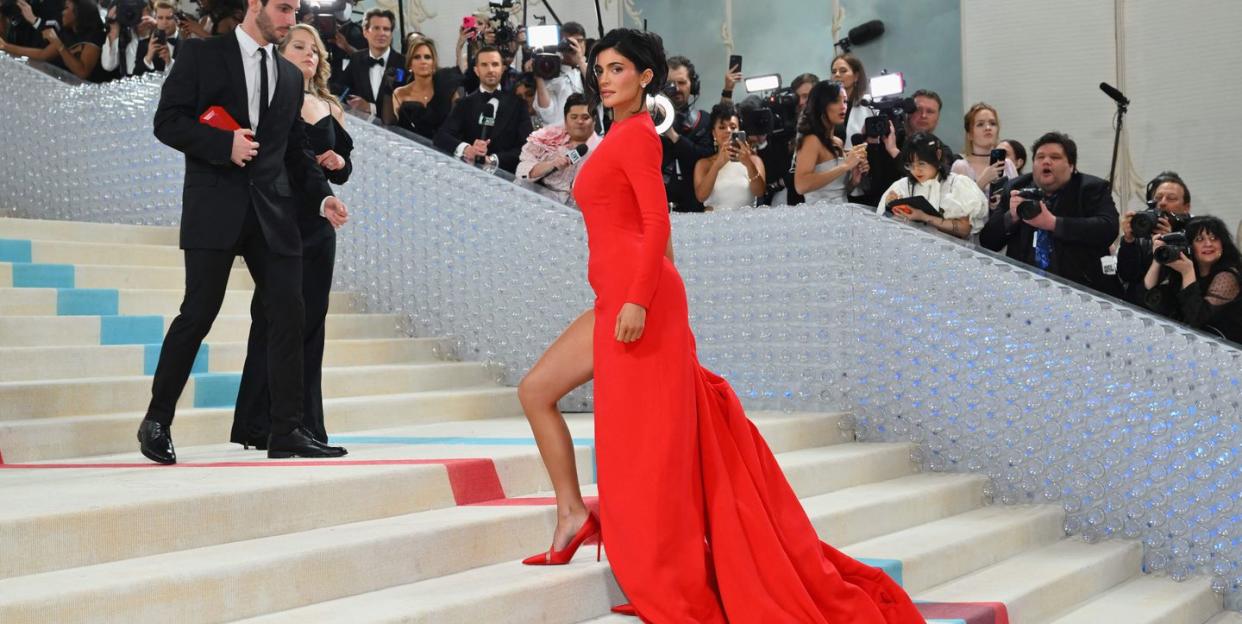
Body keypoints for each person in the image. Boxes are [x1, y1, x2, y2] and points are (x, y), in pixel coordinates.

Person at [538, 27, 923, 622]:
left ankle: (664, 571)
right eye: (600, 68)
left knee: (647, 450)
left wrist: (644, 303)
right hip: (624, 299)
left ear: (645, 78)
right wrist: (652, 303)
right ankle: (572, 515)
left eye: (617, 68)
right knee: (537, 393)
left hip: (636, 304)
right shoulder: (617, 136)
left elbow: (656, 223)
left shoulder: (637, 136)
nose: (604, 78)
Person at [138, 0, 351, 464]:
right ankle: (156, 420)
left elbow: (292, 148)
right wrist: (222, 144)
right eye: (283, 8)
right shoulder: (200, 55)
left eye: (295, 11)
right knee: (198, 312)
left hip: (273, 212)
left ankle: (286, 430)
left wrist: (321, 196)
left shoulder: (290, 76)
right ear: (254, 4)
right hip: (215, 205)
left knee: (289, 313)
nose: (291, 19)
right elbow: (167, 121)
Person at [231, 23, 354, 448]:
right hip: (279, 217)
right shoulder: (266, 99)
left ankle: (303, 424)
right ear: (279, 54)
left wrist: (338, 161)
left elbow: (344, 165)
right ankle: (259, 423)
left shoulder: (328, 106)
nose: (309, 55)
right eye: (298, 47)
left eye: (315, 50)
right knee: (271, 320)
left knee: (310, 323)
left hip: (319, 222)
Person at [979, 132, 1122, 296]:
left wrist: (1054, 223)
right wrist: (1011, 217)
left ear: (1071, 166)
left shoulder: (1091, 188)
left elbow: (1108, 229)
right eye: (1040, 157)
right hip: (1026, 290)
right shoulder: (1015, 187)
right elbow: (988, 241)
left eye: (1055, 157)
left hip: (1080, 290)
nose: (1046, 161)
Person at [1142, 216, 1242, 343]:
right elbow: (1147, 293)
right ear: (1189, 246)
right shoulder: (1184, 268)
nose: (1208, 244)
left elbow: (1196, 319)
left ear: (1223, 244)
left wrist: (1187, 272)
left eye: (1214, 238)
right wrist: (1157, 259)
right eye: (1199, 239)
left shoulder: (1227, 276)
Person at [434, 45, 532, 173]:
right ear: (476, 70)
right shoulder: (463, 104)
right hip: (469, 175)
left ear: (503, 69)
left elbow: (527, 148)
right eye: (484, 65)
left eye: (495, 64)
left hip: (507, 177)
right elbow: (441, 136)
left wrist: (493, 160)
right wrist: (468, 149)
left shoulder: (519, 105)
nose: (490, 69)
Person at [879, 132, 987, 240]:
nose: (916, 170)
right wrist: (889, 207)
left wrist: (924, 217)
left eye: (921, 163)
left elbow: (964, 229)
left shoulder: (957, 184)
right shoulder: (901, 186)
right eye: (910, 165)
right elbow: (884, 226)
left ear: (938, 155)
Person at [1117, 172, 1194, 304]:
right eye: (1158, 198)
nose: (1162, 203)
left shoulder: (1194, 235)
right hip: (1139, 302)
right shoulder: (1141, 230)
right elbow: (1127, 275)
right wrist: (1128, 241)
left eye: (1171, 198)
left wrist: (1171, 241)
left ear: (1186, 207)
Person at [515, 92, 600, 205]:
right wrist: (551, 165)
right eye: (574, 117)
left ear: (594, 121)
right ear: (565, 119)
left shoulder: (602, 149)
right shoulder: (547, 135)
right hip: (530, 198)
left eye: (585, 117)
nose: (579, 121)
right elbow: (522, 170)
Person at [793, 80, 866, 205]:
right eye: (836, 101)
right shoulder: (811, 140)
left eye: (845, 101)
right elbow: (801, 185)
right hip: (818, 217)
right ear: (821, 104)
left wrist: (854, 181)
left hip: (843, 212)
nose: (843, 106)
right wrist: (845, 166)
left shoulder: (838, 142)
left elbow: (838, 192)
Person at [1, 0, 107, 82]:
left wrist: (59, 45)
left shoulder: (95, 36)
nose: (62, 12)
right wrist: (6, 46)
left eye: (66, 8)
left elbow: (82, 72)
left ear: (78, 13)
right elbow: (43, 54)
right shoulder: (67, 32)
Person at [661, 55, 714, 212]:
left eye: (682, 82)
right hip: (659, 207)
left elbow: (705, 158)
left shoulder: (704, 120)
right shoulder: (649, 120)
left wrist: (673, 135)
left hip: (695, 207)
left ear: (693, 85)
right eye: (670, 83)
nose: (676, 89)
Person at [693, 103, 764, 211]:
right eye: (722, 127)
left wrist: (748, 163)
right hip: (714, 223)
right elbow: (701, 197)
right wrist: (717, 165)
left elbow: (759, 192)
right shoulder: (704, 164)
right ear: (714, 134)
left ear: (740, 130)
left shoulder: (754, 160)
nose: (728, 131)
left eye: (733, 127)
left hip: (747, 223)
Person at [388, 35, 456, 140]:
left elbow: (457, 128)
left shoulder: (448, 92)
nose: (423, 61)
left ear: (434, 63)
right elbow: (390, 125)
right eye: (417, 57)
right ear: (410, 64)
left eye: (427, 57)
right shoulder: (400, 93)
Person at [338, 8, 403, 117]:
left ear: (391, 34)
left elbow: (405, 105)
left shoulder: (403, 63)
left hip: (396, 131)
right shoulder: (356, 59)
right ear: (365, 32)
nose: (382, 33)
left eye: (386, 29)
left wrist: (370, 107)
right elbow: (341, 88)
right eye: (376, 28)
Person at [951, 102, 1018, 195]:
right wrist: (982, 182)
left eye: (992, 123)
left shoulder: (1008, 165)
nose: (988, 128)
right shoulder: (961, 167)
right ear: (970, 134)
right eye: (980, 124)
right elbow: (958, 206)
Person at [531, 21, 585, 128]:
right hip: (560, 138)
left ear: (585, 43)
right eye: (569, 43)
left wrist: (580, 60)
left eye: (579, 41)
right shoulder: (550, 70)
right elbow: (547, 114)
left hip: (592, 139)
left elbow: (599, 91)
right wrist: (538, 74)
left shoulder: (594, 69)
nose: (574, 46)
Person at [100, 3, 156, 78]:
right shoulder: (124, 35)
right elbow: (108, 66)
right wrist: (114, 30)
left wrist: (157, 28)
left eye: (141, 9)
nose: (135, 13)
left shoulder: (157, 31)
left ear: (151, 12)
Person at [830, 52, 870, 147]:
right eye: (834, 72)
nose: (837, 75)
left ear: (856, 76)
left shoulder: (868, 104)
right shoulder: (827, 106)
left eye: (843, 71)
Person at [133, 0, 180, 75]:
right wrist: (148, 58)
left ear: (176, 20)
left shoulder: (188, 44)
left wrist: (170, 62)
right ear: (155, 19)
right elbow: (135, 78)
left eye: (168, 18)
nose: (164, 22)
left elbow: (192, 76)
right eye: (160, 18)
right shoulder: (144, 45)